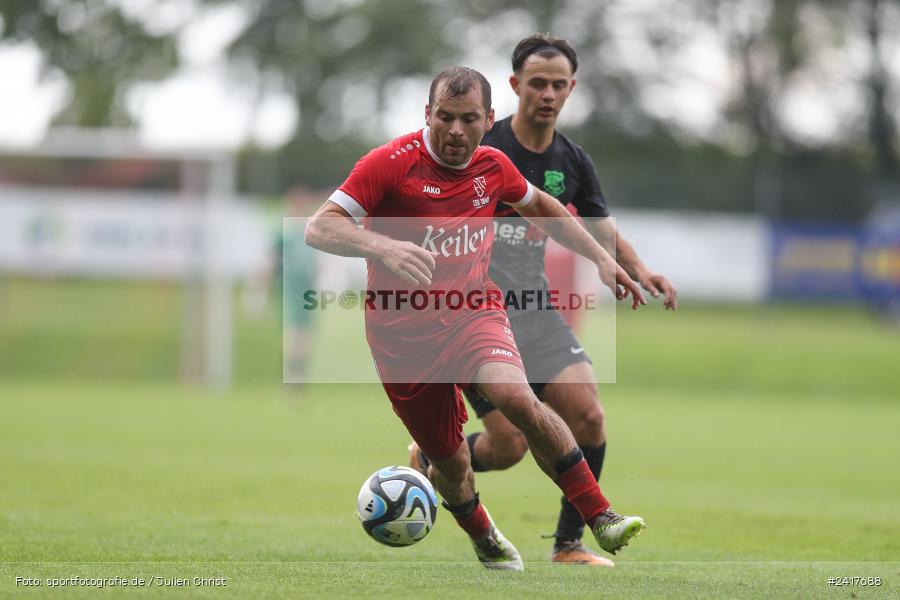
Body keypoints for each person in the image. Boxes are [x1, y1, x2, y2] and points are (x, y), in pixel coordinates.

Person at [305, 66, 648, 571]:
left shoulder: (493, 166)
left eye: (468, 119)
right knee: (453, 464)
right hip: (404, 343)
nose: (455, 131)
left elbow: (545, 207)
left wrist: (599, 255)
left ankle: (601, 517)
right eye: (445, 117)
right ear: (428, 113)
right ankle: (483, 535)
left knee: (517, 397)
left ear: (489, 119)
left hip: (474, 316)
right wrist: (382, 245)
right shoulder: (389, 164)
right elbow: (319, 227)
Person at [408, 35, 678, 566]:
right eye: (537, 83)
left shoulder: (573, 160)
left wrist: (637, 268)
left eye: (559, 84)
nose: (548, 93)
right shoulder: (483, 143)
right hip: (478, 317)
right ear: (514, 86)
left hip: (536, 311)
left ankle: (569, 544)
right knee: (508, 447)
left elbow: (597, 224)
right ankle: (432, 458)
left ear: (571, 88)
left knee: (590, 417)